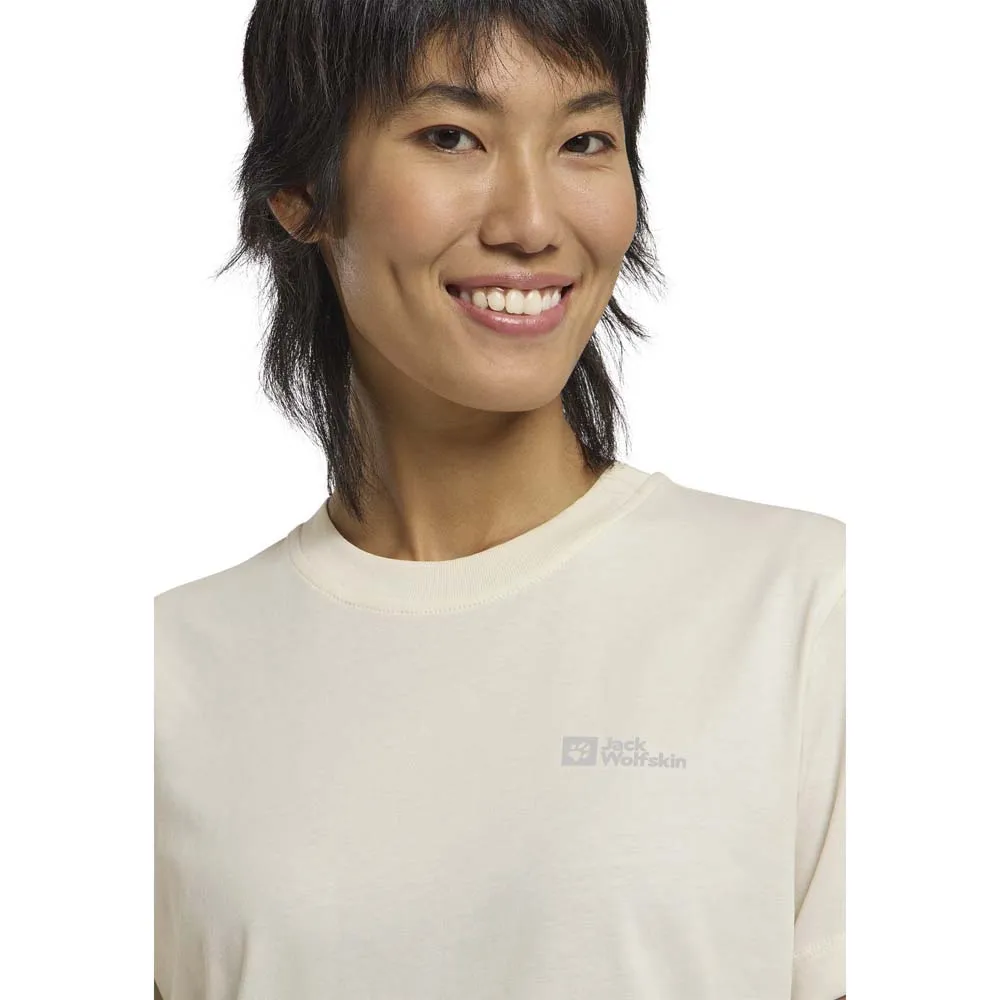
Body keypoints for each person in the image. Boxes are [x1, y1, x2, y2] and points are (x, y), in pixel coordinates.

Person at [154, 2, 846, 998]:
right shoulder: (166, 678)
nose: (531, 223)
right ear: (300, 190)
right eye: (451, 136)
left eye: (584, 141)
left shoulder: (806, 610)